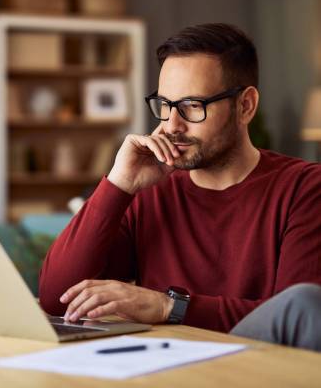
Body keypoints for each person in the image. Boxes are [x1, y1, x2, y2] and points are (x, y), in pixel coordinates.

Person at [39, 23, 321, 351]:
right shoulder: (149, 192)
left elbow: (302, 317)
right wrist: (118, 184)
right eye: (165, 105)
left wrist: (170, 307)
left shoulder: (305, 189)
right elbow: (56, 298)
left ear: (245, 106)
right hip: (161, 369)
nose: (172, 125)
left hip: (254, 366)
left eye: (192, 106)